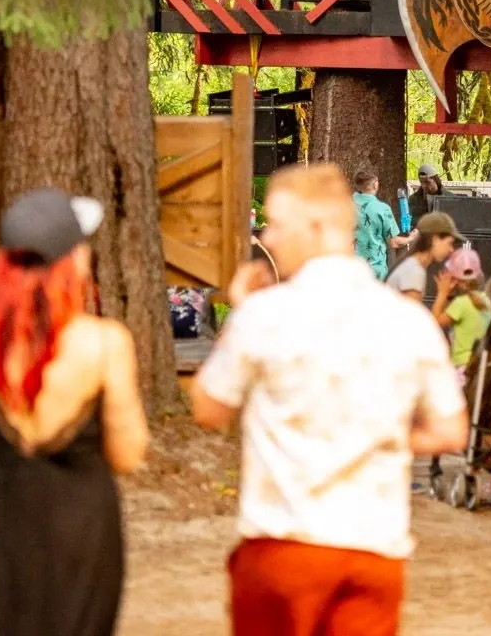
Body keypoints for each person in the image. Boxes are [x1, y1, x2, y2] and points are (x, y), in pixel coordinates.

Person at [192, 163, 468, 636]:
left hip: (282, 544)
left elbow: (207, 407)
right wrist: (374, 435)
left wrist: (237, 311)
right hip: (374, 548)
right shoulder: (407, 321)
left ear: (317, 227)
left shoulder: (265, 314)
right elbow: (450, 430)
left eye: (278, 224)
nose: (269, 238)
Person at [0, 187, 149, 636]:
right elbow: (128, 454)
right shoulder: (105, 343)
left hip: (1, 535)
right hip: (84, 539)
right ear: (72, 258)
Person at [431, 248, 491, 378]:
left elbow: (433, 323)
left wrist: (442, 293)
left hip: (460, 366)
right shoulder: (485, 300)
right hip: (476, 364)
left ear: (455, 278)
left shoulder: (462, 303)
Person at [352, 166, 413, 280]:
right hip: (375, 271)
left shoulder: (344, 206)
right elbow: (393, 242)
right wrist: (411, 238)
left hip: (349, 270)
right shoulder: (382, 209)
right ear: (375, 184)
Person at [385, 211, 460, 301]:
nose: (451, 249)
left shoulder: (413, 266)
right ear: (435, 239)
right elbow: (412, 314)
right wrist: (443, 294)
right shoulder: (413, 271)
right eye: (450, 243)